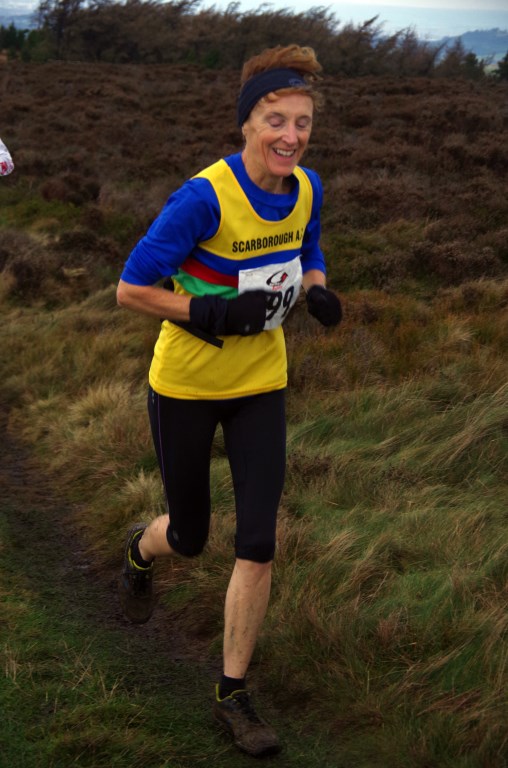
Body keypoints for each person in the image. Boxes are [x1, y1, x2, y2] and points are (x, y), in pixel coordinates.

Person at [116, 43, 342, 758]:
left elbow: (308, 246)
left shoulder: (306, 188)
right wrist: (210, 312)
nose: (291, 136)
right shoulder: (203, 199)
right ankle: (141, 550)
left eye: (303, 122)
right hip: (185, 386)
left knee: (258, 542)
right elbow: (130, 289)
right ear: (246, 123)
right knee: (190, 536)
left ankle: (232, 693)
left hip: (261, 386)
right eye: (276, 120)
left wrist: (316, 289)